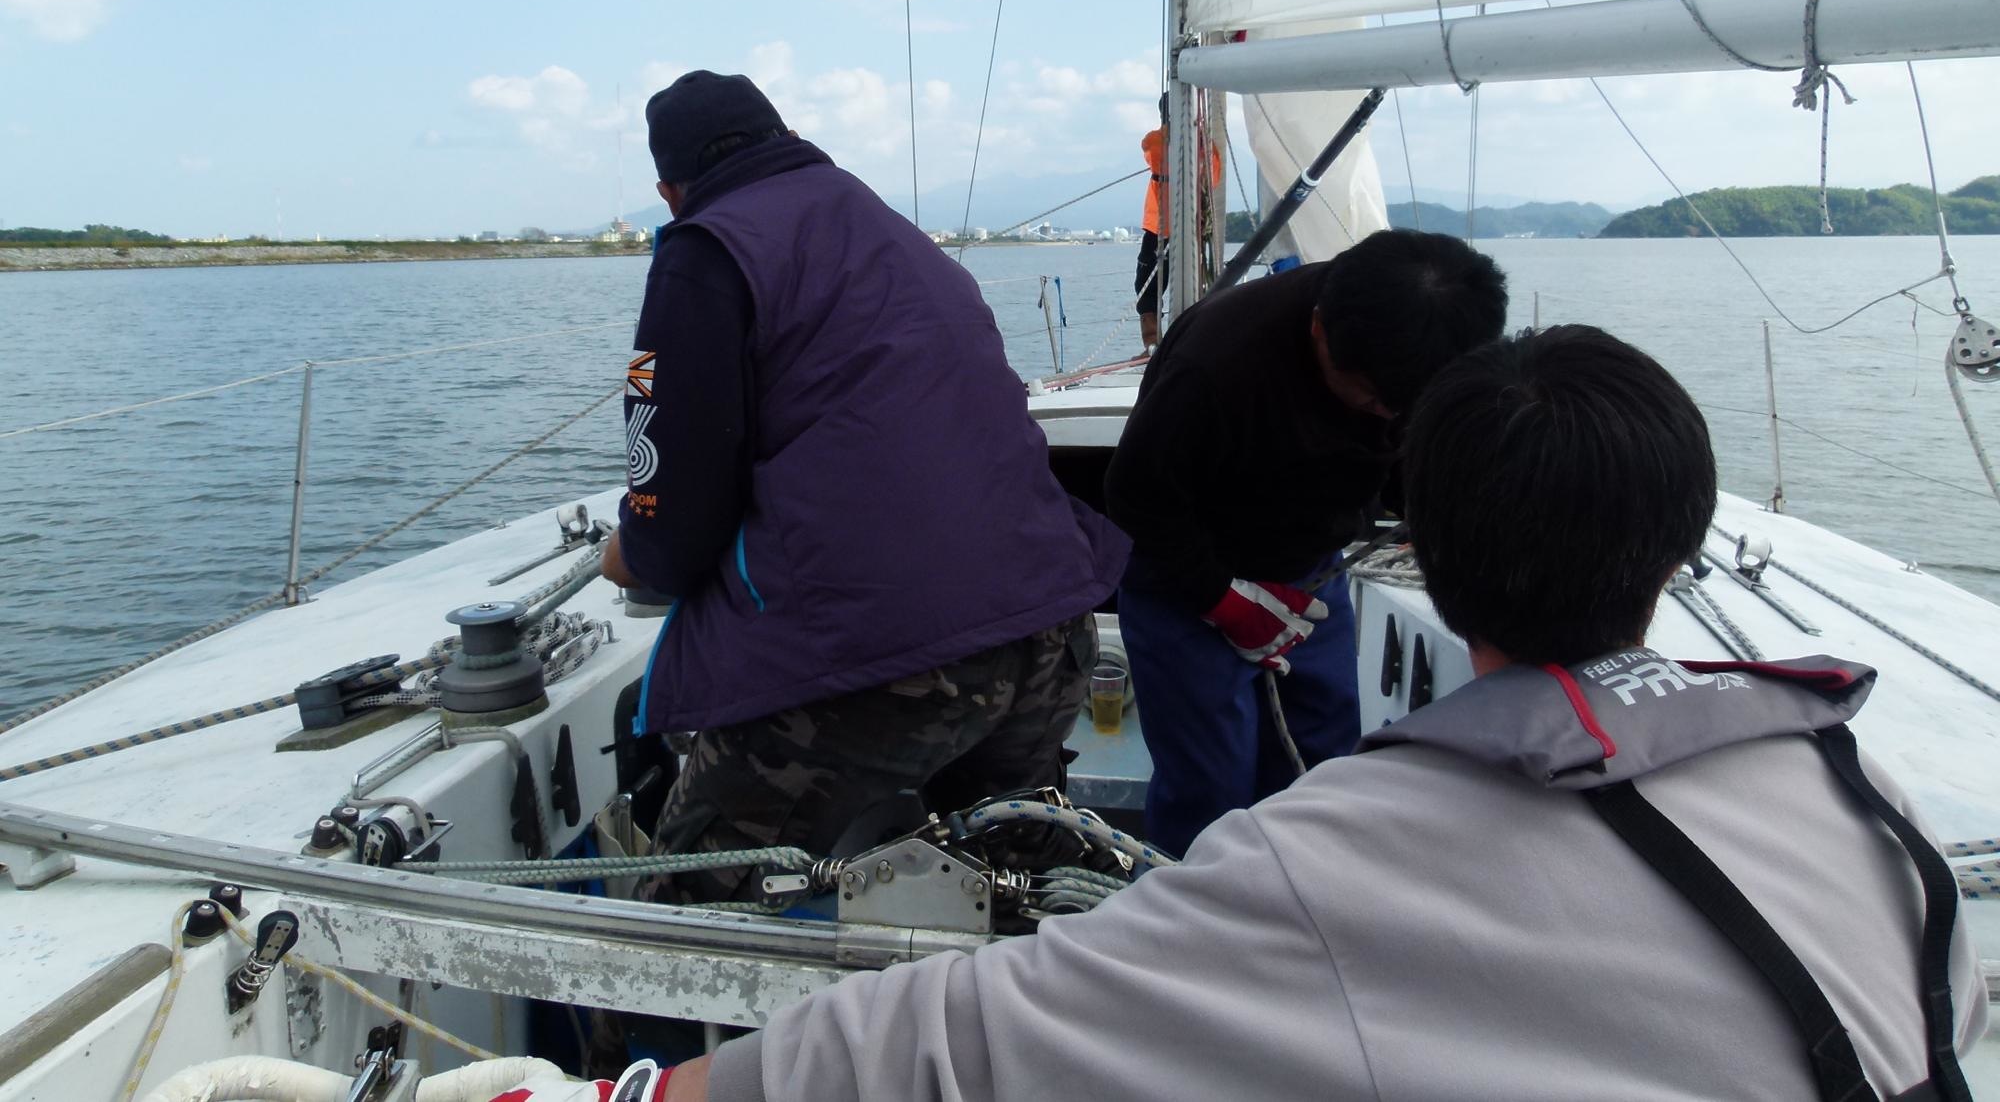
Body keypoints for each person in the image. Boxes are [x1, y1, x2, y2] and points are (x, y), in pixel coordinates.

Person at [639, 326, 1987, 1102]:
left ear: (1424, 552)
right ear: (1681, 542)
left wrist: (653, 1088)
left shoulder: (1328, 860)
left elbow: (958, 1042)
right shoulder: (1856, 789)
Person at [600, 70, 1128, 897]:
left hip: (888, 663)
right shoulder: (892, 229)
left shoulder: (706, 249)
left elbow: (674, 510)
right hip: (1049, 632)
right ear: (786, 139)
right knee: (1018, 895)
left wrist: (635, 551)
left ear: (670, 192)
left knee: (688, 900)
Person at [1102, 227, 1507, 856]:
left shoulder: (1427, 355)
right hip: (1184, 581)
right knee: (1210, 787)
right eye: (1370, 398)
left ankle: (1306, 893)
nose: (1383, 415)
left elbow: (1413, 459)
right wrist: (1221, 600)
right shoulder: (1215, 363)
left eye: (1401, 406)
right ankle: (1195, 905)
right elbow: (1134, 496)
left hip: (1312, 572)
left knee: (1325, 760)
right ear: (1319, 329)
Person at [1133, 93, 1220, 352]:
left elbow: (1148, 148)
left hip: (1160, 230)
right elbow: (1214, 177)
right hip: (1193, 229)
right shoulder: (1206, 147)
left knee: (1146, 290)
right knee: (1195, 283)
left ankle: (1152, 345)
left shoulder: (1156, 141)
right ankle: (1191, 339)